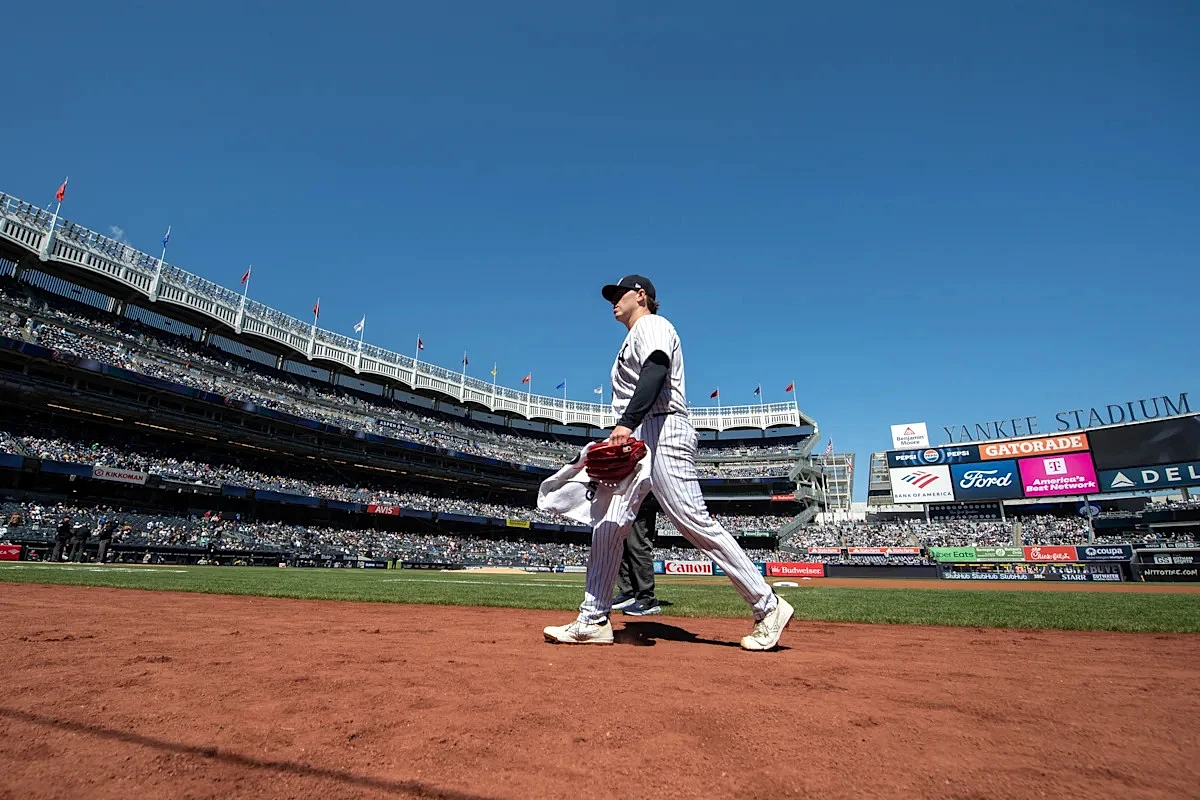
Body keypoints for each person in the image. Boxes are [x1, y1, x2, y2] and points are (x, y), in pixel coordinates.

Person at [544, 275, 794, 650]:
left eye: (619, 293)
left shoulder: (652, 325)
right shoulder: (631, 336)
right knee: (609, 524)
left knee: (691, 520)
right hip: (644, 434)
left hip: (663, 428)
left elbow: (657, 369)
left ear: (641, 296)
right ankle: (593, 619)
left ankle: (768, 605)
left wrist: (626, 424)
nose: (612, 300)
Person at [612, 500, 661, 616]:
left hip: (642, 500)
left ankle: (647, 599)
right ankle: (628, 592)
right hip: (623, 503)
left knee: (637, 545)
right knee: (621, 545)